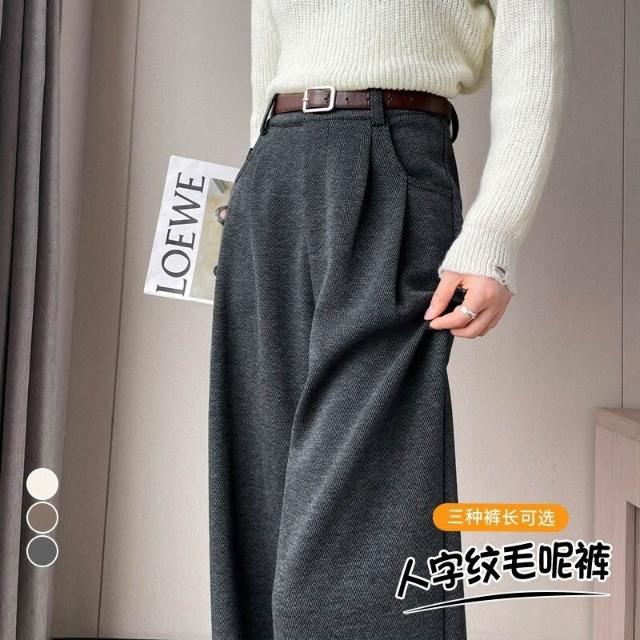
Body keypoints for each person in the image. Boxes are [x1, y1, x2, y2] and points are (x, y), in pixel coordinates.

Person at [208, 2, 571, 639]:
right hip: (273, 166)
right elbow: (267, 55)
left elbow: (533, 48)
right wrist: (249, 189)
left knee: (367, 499)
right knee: (259, 483)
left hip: (393, 150)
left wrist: (495, 231)